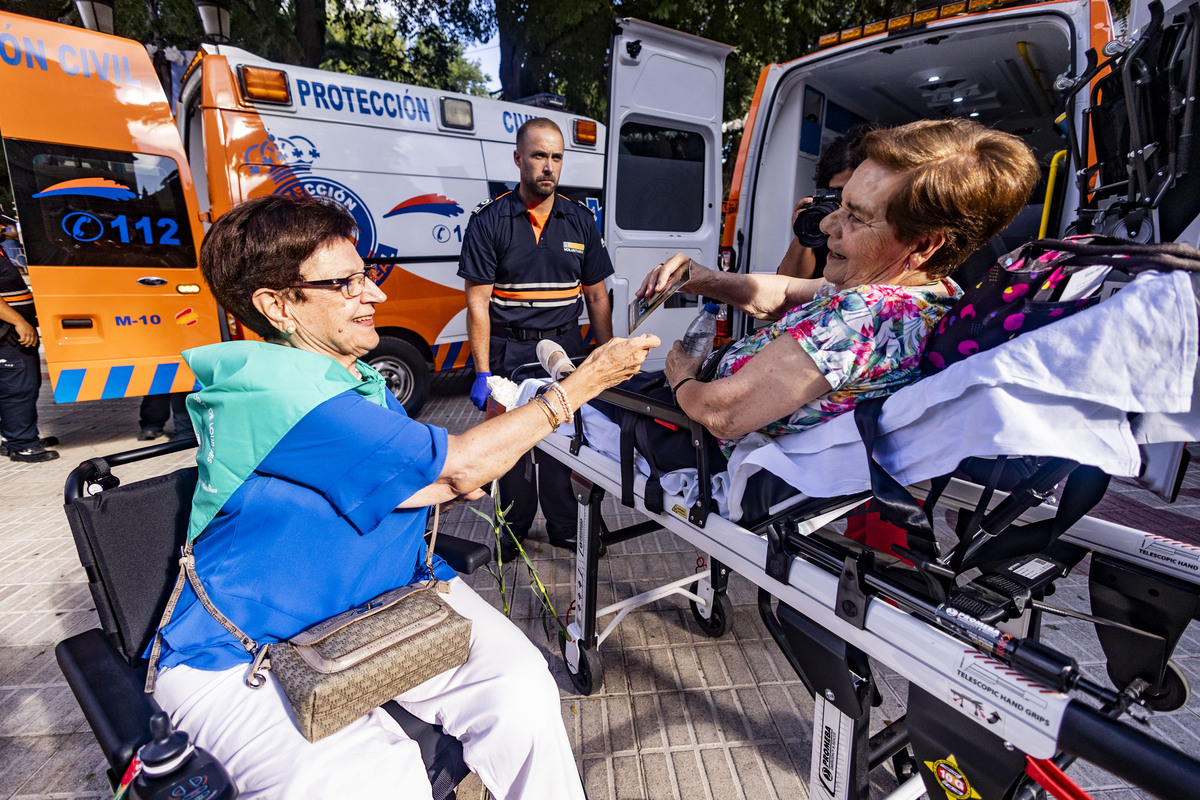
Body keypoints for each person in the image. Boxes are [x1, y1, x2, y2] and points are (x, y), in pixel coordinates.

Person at [150, 194, 657, 800]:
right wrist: (585, 382)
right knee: (377, 776)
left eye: (366, 274)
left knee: (522, 688)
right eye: (347, 282)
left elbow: (416, 480)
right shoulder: (279, 393)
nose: (376, 295)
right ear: (277, 305)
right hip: (246, 651)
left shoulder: (349, 376)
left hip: (382, 602)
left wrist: (455, 474)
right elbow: (458, 471)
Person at [637, 119, 1040, 459]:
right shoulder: (930, 291)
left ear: (921, 246)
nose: (828, 226)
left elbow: (720, 413)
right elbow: (785, 294)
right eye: (839, 205)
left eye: (856, 217)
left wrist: (683, 377)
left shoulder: (861, 318)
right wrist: (703, 278)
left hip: (689, 437)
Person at [458, 117, 614, 558]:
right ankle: (511, 531)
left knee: (567, 442)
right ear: (518, 159)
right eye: (539, 155)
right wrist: (484, 372)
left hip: (566, 348)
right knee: (512, 448)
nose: (549, 166)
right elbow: (477, 305)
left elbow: (598, 297)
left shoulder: (580, 221)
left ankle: (568, 528)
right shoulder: (490, 221)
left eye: (556, 157)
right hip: (511, 351)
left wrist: (604, 360)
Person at [776, 125, 875, 279]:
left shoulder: (883, 228)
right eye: (837, 193)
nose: (844, 204)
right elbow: (787, 284)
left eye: (852, 194)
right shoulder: (826, 221)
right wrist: (804, 234)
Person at [0, 246, 58, 462]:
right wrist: (19, 321)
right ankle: (22, 445)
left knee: (21, 386)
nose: (4, 227)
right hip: (7, 335)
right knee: (18, 389)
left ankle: (14, 437)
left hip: (10, 334)